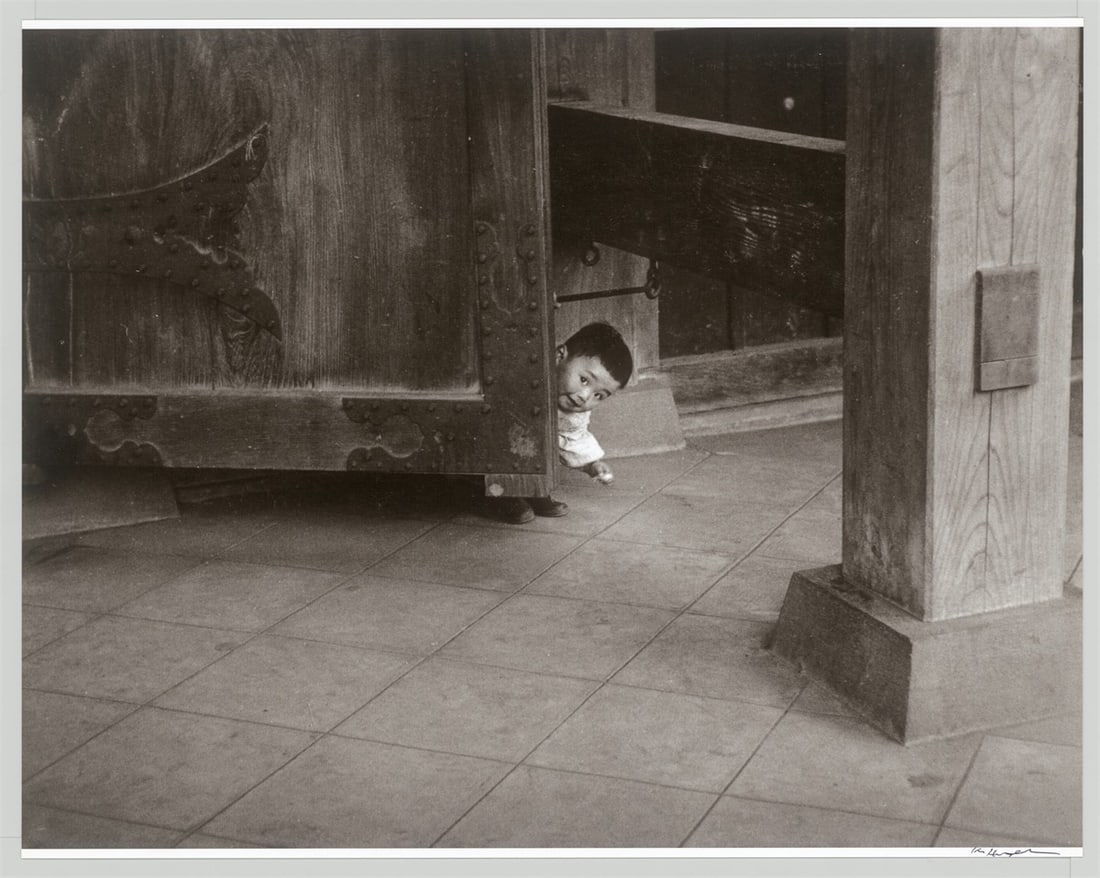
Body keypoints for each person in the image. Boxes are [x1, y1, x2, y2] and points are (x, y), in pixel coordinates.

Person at [487, 322, 634, 524]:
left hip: (528, 454)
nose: (585, 396)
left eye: (599, 395)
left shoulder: (573, 411)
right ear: (559, 356)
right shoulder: (529, 376)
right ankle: (502, 495)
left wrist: (592, 464)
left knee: (541, 450)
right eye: (584, 380)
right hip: (496, 448)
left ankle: (534, 491)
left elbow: (573, 437)